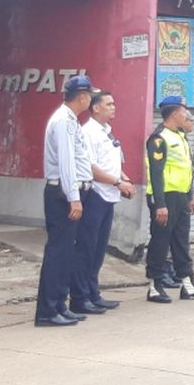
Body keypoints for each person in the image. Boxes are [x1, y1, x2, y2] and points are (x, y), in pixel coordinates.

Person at [35, 74, 95, 327]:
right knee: (58, 252)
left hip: (70, 192)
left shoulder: (70, 120)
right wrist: (74, 198)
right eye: (90, 95)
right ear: (82, 97)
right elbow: (66, 162)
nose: (91, 99)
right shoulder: (62, 121)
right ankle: (47, 311)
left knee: (66, 251)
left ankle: (59, 304)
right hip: (62, 193)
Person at [69, 89, 133, 315]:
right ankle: (79, 298)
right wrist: (117, 182)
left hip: (109, 195)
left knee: (98, 249)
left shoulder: (106, 131)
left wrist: (123, 177)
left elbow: (109, 161)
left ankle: (93, 294)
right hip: (95, 194)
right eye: (109, 104)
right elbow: (90, 168)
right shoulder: (88, 132)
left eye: (114, 104)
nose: (114, 108)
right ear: (95, 108)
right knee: (85, 249)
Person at [145, 97, 194, 303]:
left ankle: (187, 283)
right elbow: (156, 174)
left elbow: (187, 169)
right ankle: (154, 285)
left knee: (181, 241)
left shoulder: (180, 136)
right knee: (160, 240)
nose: (186, 115)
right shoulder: (159, 139)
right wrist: (161, 204)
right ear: (174, 113)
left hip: (181, 196)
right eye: (184, 111)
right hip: (165, 197)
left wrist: (190, 195)